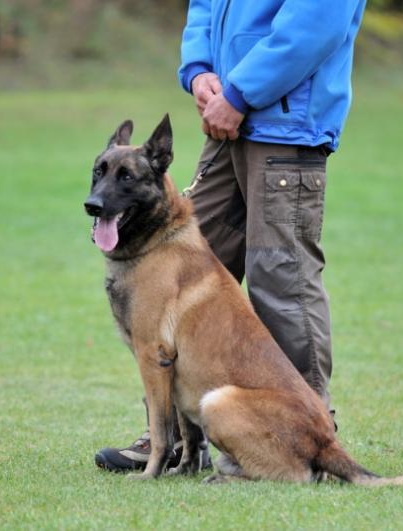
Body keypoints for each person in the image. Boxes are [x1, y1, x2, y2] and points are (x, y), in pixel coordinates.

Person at [95, 0, 367, 473]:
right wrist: (199, 70)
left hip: (284, 125)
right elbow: (205, 6)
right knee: (178, 280)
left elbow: (316, 22)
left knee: (282, 280)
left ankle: (302, 440)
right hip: (226, 123)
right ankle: (179, 438)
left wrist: (240, 93)